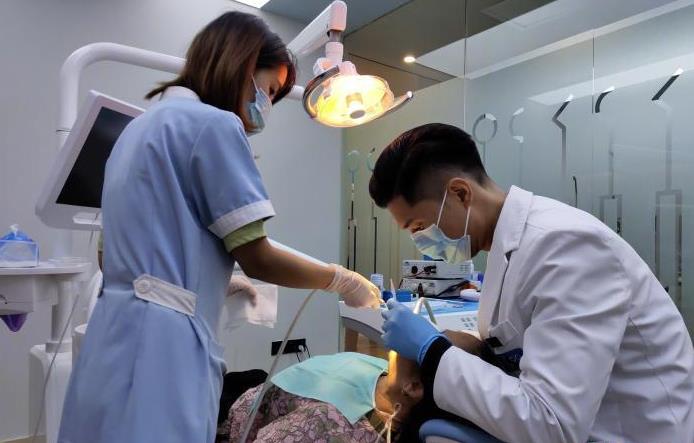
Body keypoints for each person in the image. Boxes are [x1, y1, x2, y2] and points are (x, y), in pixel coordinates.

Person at [58, 11, 380, 443]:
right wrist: (341, 280)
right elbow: (257, 255)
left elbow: (111, 255)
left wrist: (205, 279)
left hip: (109, 338)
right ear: (244, 66)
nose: (266, 105)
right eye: (269, 90)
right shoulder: (214, 125)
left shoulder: (134, 133)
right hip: (161, 349)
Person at [369, 123, 694, 443]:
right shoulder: (508, 247)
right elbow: (526, 347)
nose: (421, 241)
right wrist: (476, 349)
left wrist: (433, 351)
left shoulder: (567, 245)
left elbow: (553, 425)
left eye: (419, 227)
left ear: (460, 193)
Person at [220, 349, 478, 443]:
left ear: (413, 388)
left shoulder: (329, 425)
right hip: (263, 391)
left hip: (235, 420)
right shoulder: (387, 374)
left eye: (431, 342)